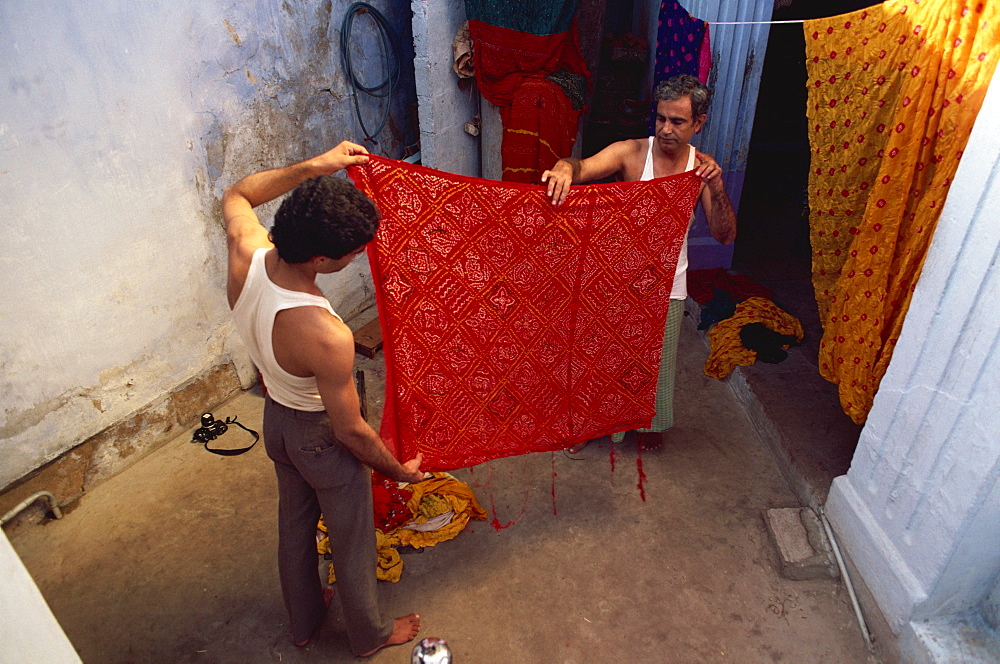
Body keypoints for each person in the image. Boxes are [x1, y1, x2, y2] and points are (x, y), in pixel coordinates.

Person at [223, 141, 424, 656]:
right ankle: (369, 635)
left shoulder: (246, 248)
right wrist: (397, 471)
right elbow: (350, 430)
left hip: (277, 423)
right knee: (352, 538)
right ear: (318, 258)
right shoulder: (324, 333)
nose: (358, 257)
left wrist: (317, 166)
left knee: (294, 525)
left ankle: (304, 623)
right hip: (318, 437)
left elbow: (238, 192)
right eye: (352, 253)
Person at [541, 74, 737, 452]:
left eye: (677, 121)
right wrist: (565, 168)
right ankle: (587, 426)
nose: (665, 129)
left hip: (667, 287)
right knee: (598, 362)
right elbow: (580, 167)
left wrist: (716, 188)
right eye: (660, 118)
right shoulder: (631, 153)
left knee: (653, 369)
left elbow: (725, 235)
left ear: (699, 122)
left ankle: (646, 428)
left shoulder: (702, 170)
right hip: (613, 284)